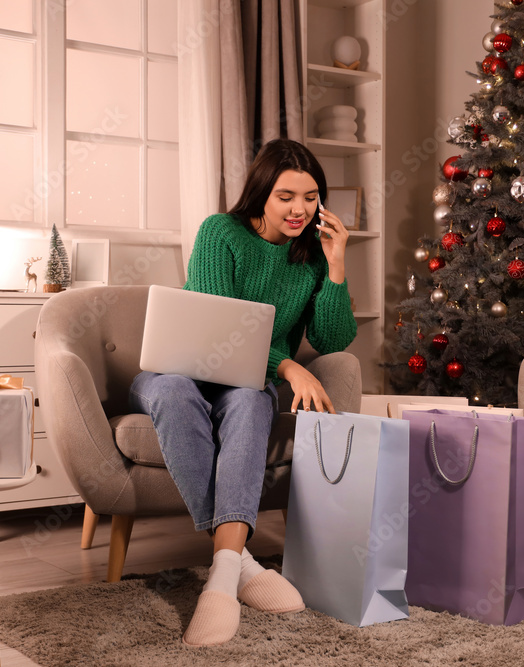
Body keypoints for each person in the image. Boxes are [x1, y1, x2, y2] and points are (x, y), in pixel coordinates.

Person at [129, 138, 357, 646]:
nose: (300, 209)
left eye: (311, 196)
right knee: (173, 395)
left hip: (248, 381)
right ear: (261, 195)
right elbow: (219, 329)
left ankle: (223, 573)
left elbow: (333, 338)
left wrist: (337, 264)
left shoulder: (313, 252)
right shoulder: (222, 232)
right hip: (183, 370)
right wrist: (290, 368)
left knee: (253, 400)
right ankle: (239, 563)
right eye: (286, 196)